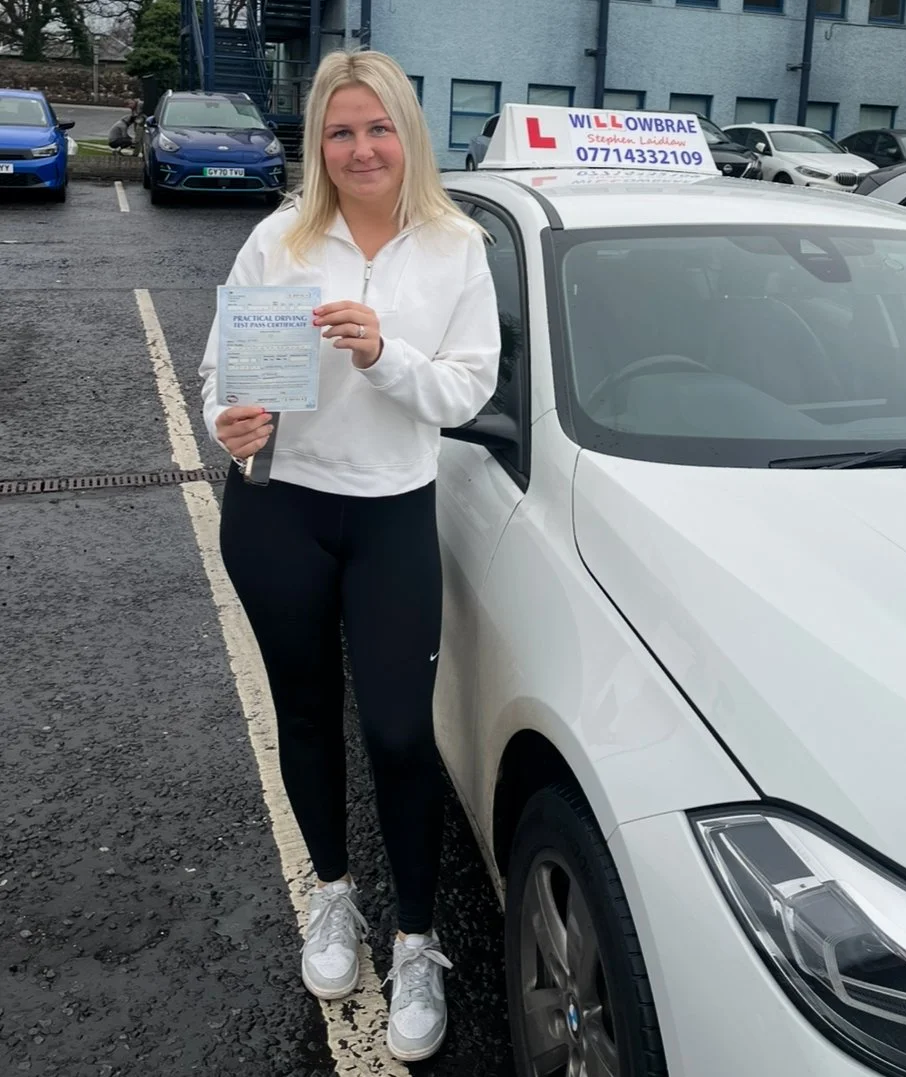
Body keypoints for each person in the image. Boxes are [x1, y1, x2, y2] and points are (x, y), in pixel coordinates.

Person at [197, 49, 499, 1062]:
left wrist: (385, 354)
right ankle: (334, 896)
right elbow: (218, 370)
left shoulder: (455, 247)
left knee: (402, 732)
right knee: (306, 715)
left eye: (378, 128)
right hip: (279, 508)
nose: (361, 147)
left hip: (390, 517)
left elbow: (466, 392)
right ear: (318, 143)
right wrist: (226, 424)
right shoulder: (279, 240)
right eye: (340, 130)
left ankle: (417, 938)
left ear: (406, 135)